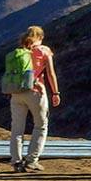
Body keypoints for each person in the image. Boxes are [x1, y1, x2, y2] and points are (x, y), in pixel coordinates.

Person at [8, 26, 61, 172]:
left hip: (16, 93)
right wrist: (55, 93)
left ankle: (16, 161)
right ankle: (32, 160)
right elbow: (50, 73)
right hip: (35, 92)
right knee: (40, 126)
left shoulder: (19, 51)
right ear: (41, 37)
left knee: (17, 129)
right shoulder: (44, 51)